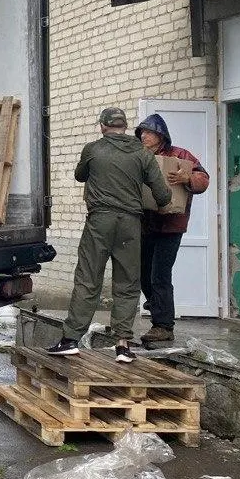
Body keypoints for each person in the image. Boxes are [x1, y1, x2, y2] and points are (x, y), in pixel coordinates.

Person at [49, 107, 171, 363]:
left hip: (99, 222)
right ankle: (123, 345)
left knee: (88, 279)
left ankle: (70, 339)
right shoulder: (142, 153)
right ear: (125, 127)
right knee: (127, 283)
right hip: (130, 224)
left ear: (103, 126)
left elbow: (79, 175)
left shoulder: (93, 149)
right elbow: (163, 196)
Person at [134, 114, 210, 343]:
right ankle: (158, 306)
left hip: (171, 225)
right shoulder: (139, 156)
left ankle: (164, 326)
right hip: (145, 223)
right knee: (142, 274)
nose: (143, 136)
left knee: (160, 274)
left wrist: (188, 178)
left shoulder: (180, 155)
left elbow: (203, 179)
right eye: (141, 133)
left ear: (160, 134)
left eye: (148, 132)